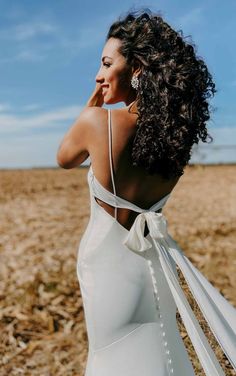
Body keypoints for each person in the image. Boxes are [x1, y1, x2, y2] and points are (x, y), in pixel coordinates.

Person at [57, 9, 236, 376]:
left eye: (106, 64)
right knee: (160, 358)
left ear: (137, 69)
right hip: (153, 268)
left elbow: (65, 157)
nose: (98, 74)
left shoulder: (97, 123)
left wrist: (93, 102)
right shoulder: (176, 141)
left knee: (107, 358)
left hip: (106, 269)